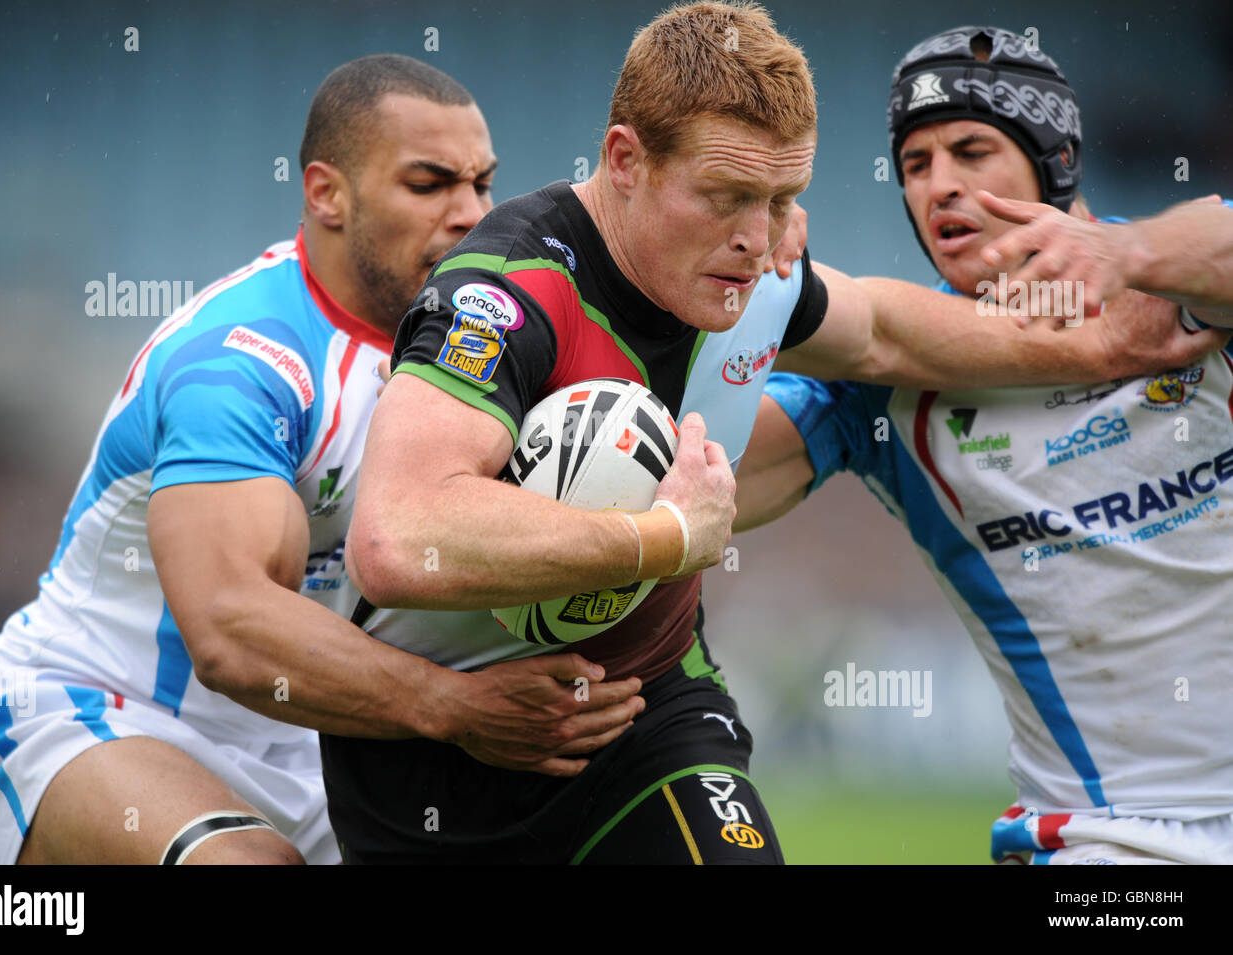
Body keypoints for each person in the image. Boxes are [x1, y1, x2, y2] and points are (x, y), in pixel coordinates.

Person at [325, 4, 1217, 865]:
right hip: (435, 752)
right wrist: (661, 536)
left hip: (647, 712)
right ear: (625, 160)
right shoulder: (506, 292)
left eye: (782, 196)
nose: (758, 240)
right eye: (727, 195)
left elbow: (882, 332)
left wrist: (1107, 330)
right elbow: (397, 536)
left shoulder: (754, 277)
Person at [0, 54, 650, 866]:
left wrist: (766, 253)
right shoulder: (240, 359)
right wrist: (460, 707)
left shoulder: (481, 348)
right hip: (93, 717)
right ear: (326, 194)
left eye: (483, 184)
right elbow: (228, 628)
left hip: (304, 750)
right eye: (429, 185)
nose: (470, 214)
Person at [745, 24, 1233, 864]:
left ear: (1056, 160)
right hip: (1110, 845)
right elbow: (710, 489)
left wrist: (1131, 252)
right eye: (915, 165)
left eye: (972, 150)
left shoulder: (1184, 284)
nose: (941, 187)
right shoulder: (878, 387)